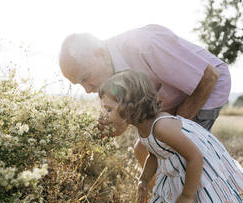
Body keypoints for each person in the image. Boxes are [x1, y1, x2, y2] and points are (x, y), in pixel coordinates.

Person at [98, 70, 243, 203]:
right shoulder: (143, 128)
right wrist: (144, 179)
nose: (104, 114)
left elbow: (195, 157)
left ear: (130, 107)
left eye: (108, 109)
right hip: (177, 170)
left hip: (197, 171)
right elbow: (155, 153)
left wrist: (186, 196)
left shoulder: (162, 127)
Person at [59, 24, 231, 169]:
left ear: (100, 54)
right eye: (79, 84)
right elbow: (120, 126)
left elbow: (209, 76)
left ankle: (191, 202)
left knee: (172, 157)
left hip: (205, 87)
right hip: (168, 98)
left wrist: (168, 132)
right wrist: (108, 127)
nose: (87, 90)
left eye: (84, 78)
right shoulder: (103, 78)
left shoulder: (144, 44)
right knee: (141, 150)